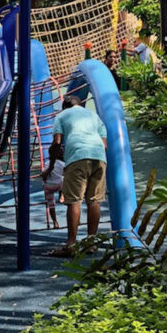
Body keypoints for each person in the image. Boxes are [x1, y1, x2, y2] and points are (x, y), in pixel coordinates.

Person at [49, 95, 108, 257]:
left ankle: (71, 244)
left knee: (74, 200)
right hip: (99, 157)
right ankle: (91, 243)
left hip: (77, 157)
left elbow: (57, 142)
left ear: (64, 107)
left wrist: (52, 162)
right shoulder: (94, 116)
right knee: (94, 200)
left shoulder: (61, 116)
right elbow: (104, 144)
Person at [40, 141, 66, 229]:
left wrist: (50, 170)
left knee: (51, 205)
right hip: (59, 185)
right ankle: (61, 194)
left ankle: (55, 222)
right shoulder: (62, 164)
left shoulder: (47, 163)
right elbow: (66, 173)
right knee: (65, 179)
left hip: (48, 187)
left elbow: (43, 175)